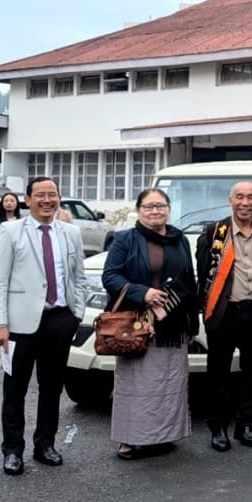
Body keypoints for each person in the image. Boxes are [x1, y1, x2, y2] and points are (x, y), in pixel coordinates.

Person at [0, 176, 88, 476]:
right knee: (14, 389)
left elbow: (79, 276)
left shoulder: (71, 232)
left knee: (52, 388)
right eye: (40, 195)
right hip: (19, 325)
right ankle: (12, 450)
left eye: (52, 194)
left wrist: (77, 314)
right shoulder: (10, 231)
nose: (47, 200)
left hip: (60, 320)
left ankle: (45, 444)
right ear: (28, 199)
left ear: (59, 197)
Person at [102, 188, 198, 460]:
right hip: (138, 326)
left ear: (168, 209)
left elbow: (189, 282)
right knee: (135, 387)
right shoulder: (125, 240)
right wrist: (142, 292)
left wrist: (192, 324)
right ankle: (129, 440)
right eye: (149, 206)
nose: (155, 211)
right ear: (139, 210)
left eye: (160, 206)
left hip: (172, 326)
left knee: (169, 385)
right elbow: (110, 276)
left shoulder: (180, 240)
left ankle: (163, 436)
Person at [195, 180, 252, 452]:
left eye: (251, 197)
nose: (245, 203)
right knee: (218, 373)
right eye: (240, 197)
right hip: (223, 313)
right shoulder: (214, 232)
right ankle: (218, 428)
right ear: (230, 201)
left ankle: (246, 425)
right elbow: (203, 272)